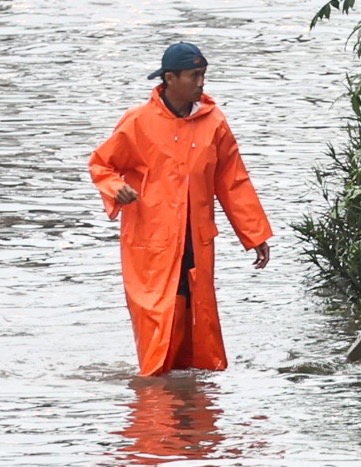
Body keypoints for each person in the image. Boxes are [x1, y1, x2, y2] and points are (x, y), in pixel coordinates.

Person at [88, 42, 273, 377]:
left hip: (195, 239)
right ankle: (156, 401)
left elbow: (232, 181)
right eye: (194, 76)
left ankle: (187, 398)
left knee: (195, 314)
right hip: (151, 242)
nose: (201, 83)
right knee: (158, 314)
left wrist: (255, 235)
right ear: (170, 79)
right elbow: (102, 165)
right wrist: (118, 189)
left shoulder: (214, 122)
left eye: (203, 75)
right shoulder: (138, 121)